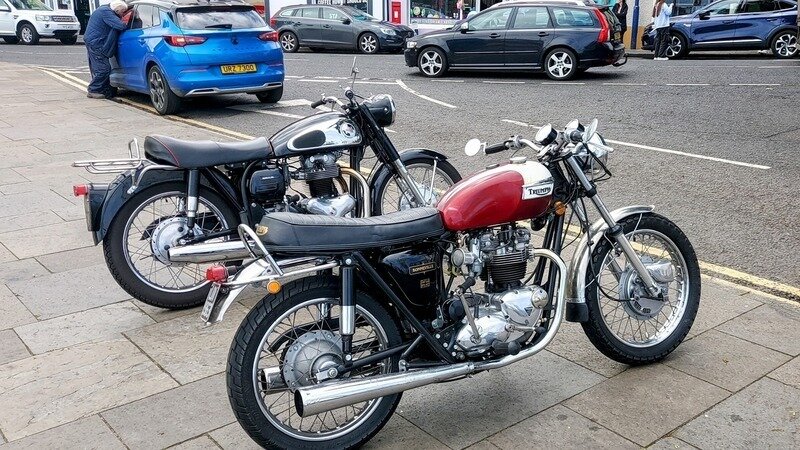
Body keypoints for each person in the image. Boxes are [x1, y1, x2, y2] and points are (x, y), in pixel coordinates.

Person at [84, 0, 130, 99]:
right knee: (103, 69)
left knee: (101, 68)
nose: (122, 15)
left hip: (95, 41)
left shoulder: (104, 10)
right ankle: (93, 90)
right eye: (122, 12)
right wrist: (126, 19)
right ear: (117, 10)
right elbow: (121, 26)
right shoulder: (106, 12)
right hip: (96, 43)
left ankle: (104, 91)